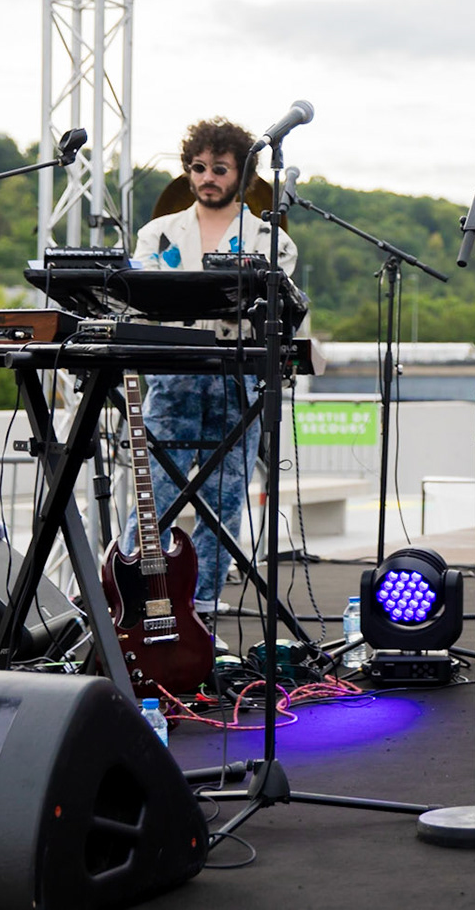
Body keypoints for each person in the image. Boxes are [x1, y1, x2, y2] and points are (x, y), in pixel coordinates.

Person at [129, 117, 298, 622]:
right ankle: (135, 605)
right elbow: (139, 301)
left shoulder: (271, 240)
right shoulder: (156, 234)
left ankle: (201, 608)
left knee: (223, 504)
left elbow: (277, 308)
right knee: (153, 498)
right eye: (198, 168)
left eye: (219, 169)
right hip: (173, 380)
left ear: (242, 176)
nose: (207, 177)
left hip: (236, 380)